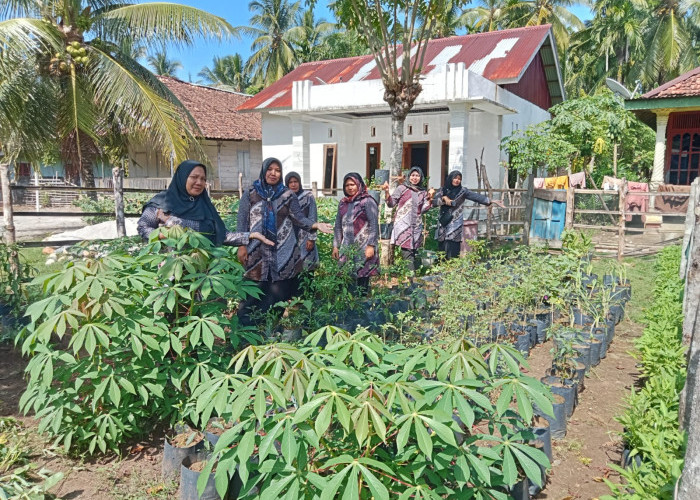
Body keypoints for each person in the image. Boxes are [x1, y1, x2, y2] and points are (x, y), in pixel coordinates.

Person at [237, 158, 332, 326]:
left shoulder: (287, 194)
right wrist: (241, 245)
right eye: (270, 169)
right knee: (253, 292)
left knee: (279, 294)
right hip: (256, 252)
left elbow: (299, 218)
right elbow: (242, 220)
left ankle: (271, 329)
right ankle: (248, 332)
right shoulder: (251, 192)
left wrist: (315, 225)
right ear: (264, 170)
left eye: (277, 170)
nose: (273, 173)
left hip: (283, 252)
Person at [137, 160, 274, 247]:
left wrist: (250, 235)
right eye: (194, 177)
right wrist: (164, 234)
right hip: (169, 271)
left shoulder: (204, 205)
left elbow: (222, 235)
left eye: (203, 179)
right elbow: (143, 228)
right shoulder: (161, 203)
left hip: (202, 272)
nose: (199, 182)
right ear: (182, 177)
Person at [433, 170, 505, 260]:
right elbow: (434, 202)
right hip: (443, 223)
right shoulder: (442, 190)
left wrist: (492, 201)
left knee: (453, 249)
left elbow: (476, 197)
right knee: (442, 249)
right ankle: (441, 270)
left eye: (459, 179)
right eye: (455, 178)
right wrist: (444, 198)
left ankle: (452, 270)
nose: (457, 180)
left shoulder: (463, 191)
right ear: (450, 178)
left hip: (455, 225)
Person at [381, 166, 435, 272]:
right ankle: (411, 280)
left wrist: (430, 198)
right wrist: (387, 192)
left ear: (421, 177)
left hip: (416, 227)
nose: (415, 178)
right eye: (413, 175)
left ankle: (410, 281)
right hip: (403, 226)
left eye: (417, 175)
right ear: (409, 176)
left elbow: (424, 209)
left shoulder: (423, 192)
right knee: (407, 252)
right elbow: (391, 203)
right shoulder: (402, 188)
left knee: (413, 252)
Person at [333, 173, 379, 295]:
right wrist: (335, 246)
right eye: (347, 185)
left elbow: (374, 224)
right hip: (346, 247)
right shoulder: (343, 203)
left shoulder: (367, 201)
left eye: (352, 184)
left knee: (362, 278)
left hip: (364, 247)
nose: (350, 187)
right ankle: (348, 308)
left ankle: (362, 307)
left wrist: (371, 245)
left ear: (359, 185)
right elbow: (338, 226)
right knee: (344, 278)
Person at [285, 171, 319, 272]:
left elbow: (312, 217)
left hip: (305, 237)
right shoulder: (284, 198)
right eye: (290, 182)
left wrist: (311, 238)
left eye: (296, 181)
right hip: (289, 237)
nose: (293, 184)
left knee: (307, 268)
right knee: (292, 268)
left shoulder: (307, 196)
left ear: (299, 183)